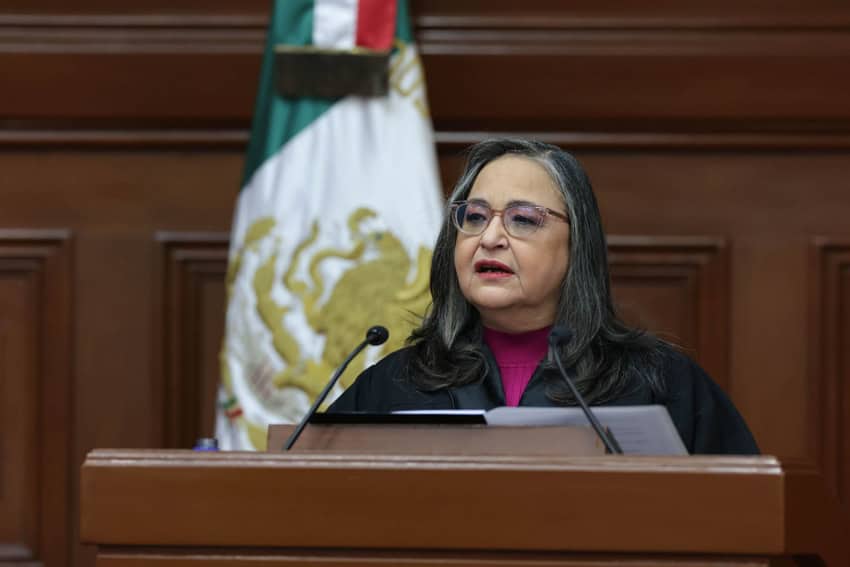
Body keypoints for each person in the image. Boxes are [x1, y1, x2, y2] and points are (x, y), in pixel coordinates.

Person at [329, 138, 758, 455]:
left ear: (577, 244)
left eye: (523, 220)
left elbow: (744, 513)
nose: (490, 237)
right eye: (474, 217)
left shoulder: (657, 382)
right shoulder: (395, 384)